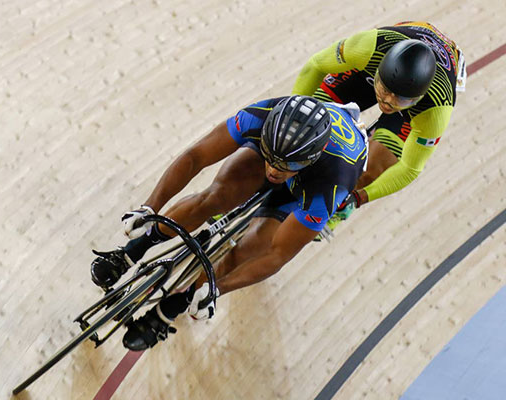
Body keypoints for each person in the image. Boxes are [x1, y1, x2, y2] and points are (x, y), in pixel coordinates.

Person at [91, 95, 368, 350]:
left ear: (308, 159)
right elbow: (195, 156)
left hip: (310, 185)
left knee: (253, 247)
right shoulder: (260, 117)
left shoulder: (333, 183)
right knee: (214, 198)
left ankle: (174, 305)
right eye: (270, 160)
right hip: (281, 152)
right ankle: (133, 250)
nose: (272, 170)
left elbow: (278, 254)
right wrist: (149, 207)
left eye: (283, 167)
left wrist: (217, 290)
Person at [293, 21, 466, 226]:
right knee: (306, 119)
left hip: (410, 103)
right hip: (373, 71)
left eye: (400, 99)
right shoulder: (367, 47)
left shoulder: (435, 108)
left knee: (369, 171)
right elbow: (316, 65)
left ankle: (330, 212)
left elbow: (410, 168)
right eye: (385, 92)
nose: (388, 101)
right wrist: (292, 113)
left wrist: (360, 197)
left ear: (417, 99)